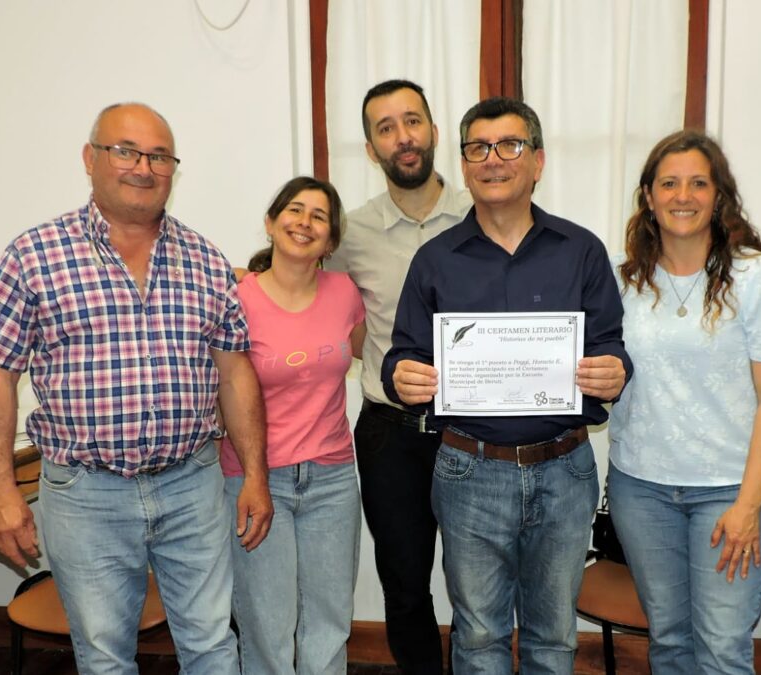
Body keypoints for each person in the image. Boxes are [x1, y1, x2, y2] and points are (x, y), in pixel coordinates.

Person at [0, 103, 272, 675]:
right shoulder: (35, 255)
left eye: (159, 157)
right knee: (104, 657)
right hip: (85, 494)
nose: (143, 168)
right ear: (90, 158)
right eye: (125, 151)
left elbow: (235, 373)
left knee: (213, 647)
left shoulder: (205, 259)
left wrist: (254, 473)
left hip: (191, 485)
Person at [384, 96, 631, 674]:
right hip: (469, 470)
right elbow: (403, 356)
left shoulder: (582, 251)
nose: (493, 159)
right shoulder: (434, 260)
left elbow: (612, 347)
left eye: (510, 145)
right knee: (477, 636)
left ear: (537, 161)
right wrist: (403, 376)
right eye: (478, 148)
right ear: (465, 165)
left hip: (565, 469)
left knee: (554, 637)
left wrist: (615, 371)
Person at [607, 130, 761, 674]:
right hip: (641, 487)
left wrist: (748, 504)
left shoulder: (758, 277)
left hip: (730, 490)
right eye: (668, 184)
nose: (683, 196)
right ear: (649, 196)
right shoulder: (624, 282)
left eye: (698, 183)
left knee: (721, 649)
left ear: (719, 195)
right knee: (669, 642)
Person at [326, 78, 472, 674]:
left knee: (476, 584)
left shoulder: (479, 214)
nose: (403, 137)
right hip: (389, 432)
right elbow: (316, 303)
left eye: (412, 121)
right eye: (385, 128)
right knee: (405, 582)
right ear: (370, 148)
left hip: (474, 430)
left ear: (434, 131)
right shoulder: (350, 233)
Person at [222, 176, 365, 674]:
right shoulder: (236, 297)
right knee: (266, 625)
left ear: (330, 241)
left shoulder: (345, 292)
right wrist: (251, 477)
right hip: (256, 480)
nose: (304, 222)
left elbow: (367, 347)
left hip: (332, 478)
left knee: (330, 620)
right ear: (270, 222)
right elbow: (219, 388)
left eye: (319, 216)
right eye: (295, 210)